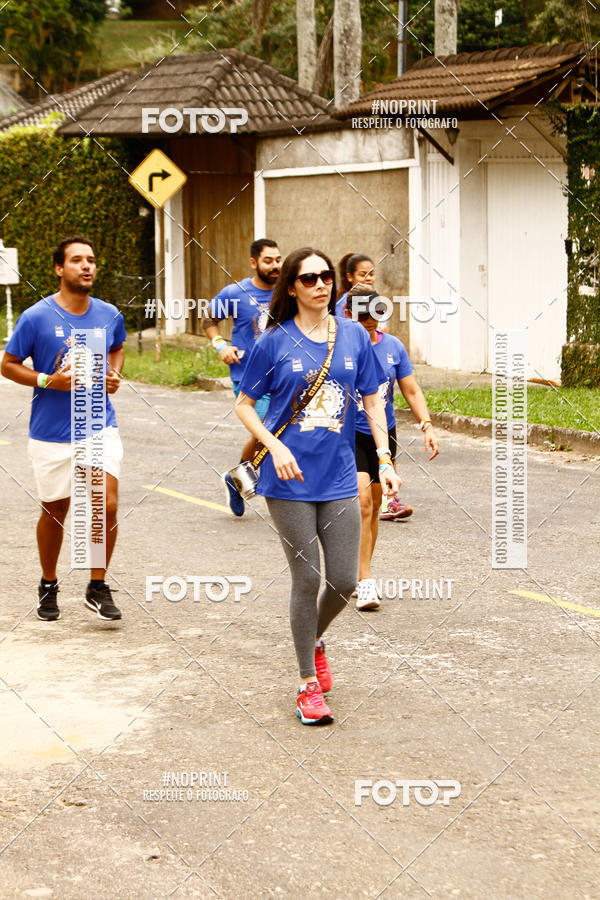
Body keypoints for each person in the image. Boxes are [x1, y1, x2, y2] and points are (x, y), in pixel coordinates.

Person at [235, 248, 399, 725]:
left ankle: (315, 637)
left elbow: (372, 399)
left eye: (326, 276)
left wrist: (384, 458)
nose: (321, 284)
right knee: (307, 579)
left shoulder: (353, 334)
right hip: (287, 478)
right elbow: (244, 403)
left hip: (340, 474)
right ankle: (307, 682)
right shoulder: (274, 340)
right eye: (309, 278)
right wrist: (273, 445)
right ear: (291, 287)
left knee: (345, 581)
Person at [0, 236, 125, 622]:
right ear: (59, 269)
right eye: (76, 260)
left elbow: (117, 347)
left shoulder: (108, 314)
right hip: (50, 432)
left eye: (91, 260)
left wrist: (114, 373)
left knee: (106, 504)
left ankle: (97, 585)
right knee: (56, 509)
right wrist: (49, 380)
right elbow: (8, 364)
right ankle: (48, 582)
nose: (86, 266)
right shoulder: (36, 317)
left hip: (97, 425)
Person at [345, 284, 439, 611]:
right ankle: (365, 581)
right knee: (362, 503)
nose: (369, 321)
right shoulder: (340, 347)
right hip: (349, 434)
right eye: (361, 316)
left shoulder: (393, 347)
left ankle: (360, 573)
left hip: (383, 434)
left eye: (374, 314)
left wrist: (427, 425)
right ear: (348, 314)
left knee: (373, 506)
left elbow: (411, 391)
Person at [204, 238, 281, 517]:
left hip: (283, 374)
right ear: (253, 262)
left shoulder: (287, 291)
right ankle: (242, 480)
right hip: (249, 375)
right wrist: (221, 346)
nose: (275, 265)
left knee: (278, 431)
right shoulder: (235, 293)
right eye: (268, 261)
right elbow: (209, 319)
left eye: (278, 260)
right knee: (266, 430)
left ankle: (236, 478)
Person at [334, 253, 375, 317]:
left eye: (371, 274)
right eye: (363, 275)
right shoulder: (343, 303)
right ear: (350, 276)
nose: (369, 278)